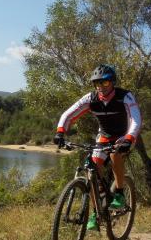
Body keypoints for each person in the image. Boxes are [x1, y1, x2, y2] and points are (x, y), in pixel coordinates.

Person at [53, 64, 142, 230]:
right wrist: (60, 132)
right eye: (97, 84)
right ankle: (96, 212)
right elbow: (69, 114)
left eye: (105, 83)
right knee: (92, 170)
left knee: (116, 154)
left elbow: (136, 119)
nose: (100, 87)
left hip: (125, 134)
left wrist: (129, 138)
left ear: (112, 82)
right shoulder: (91, 98)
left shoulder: (125, 96)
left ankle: (120, 193)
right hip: (105, 136)